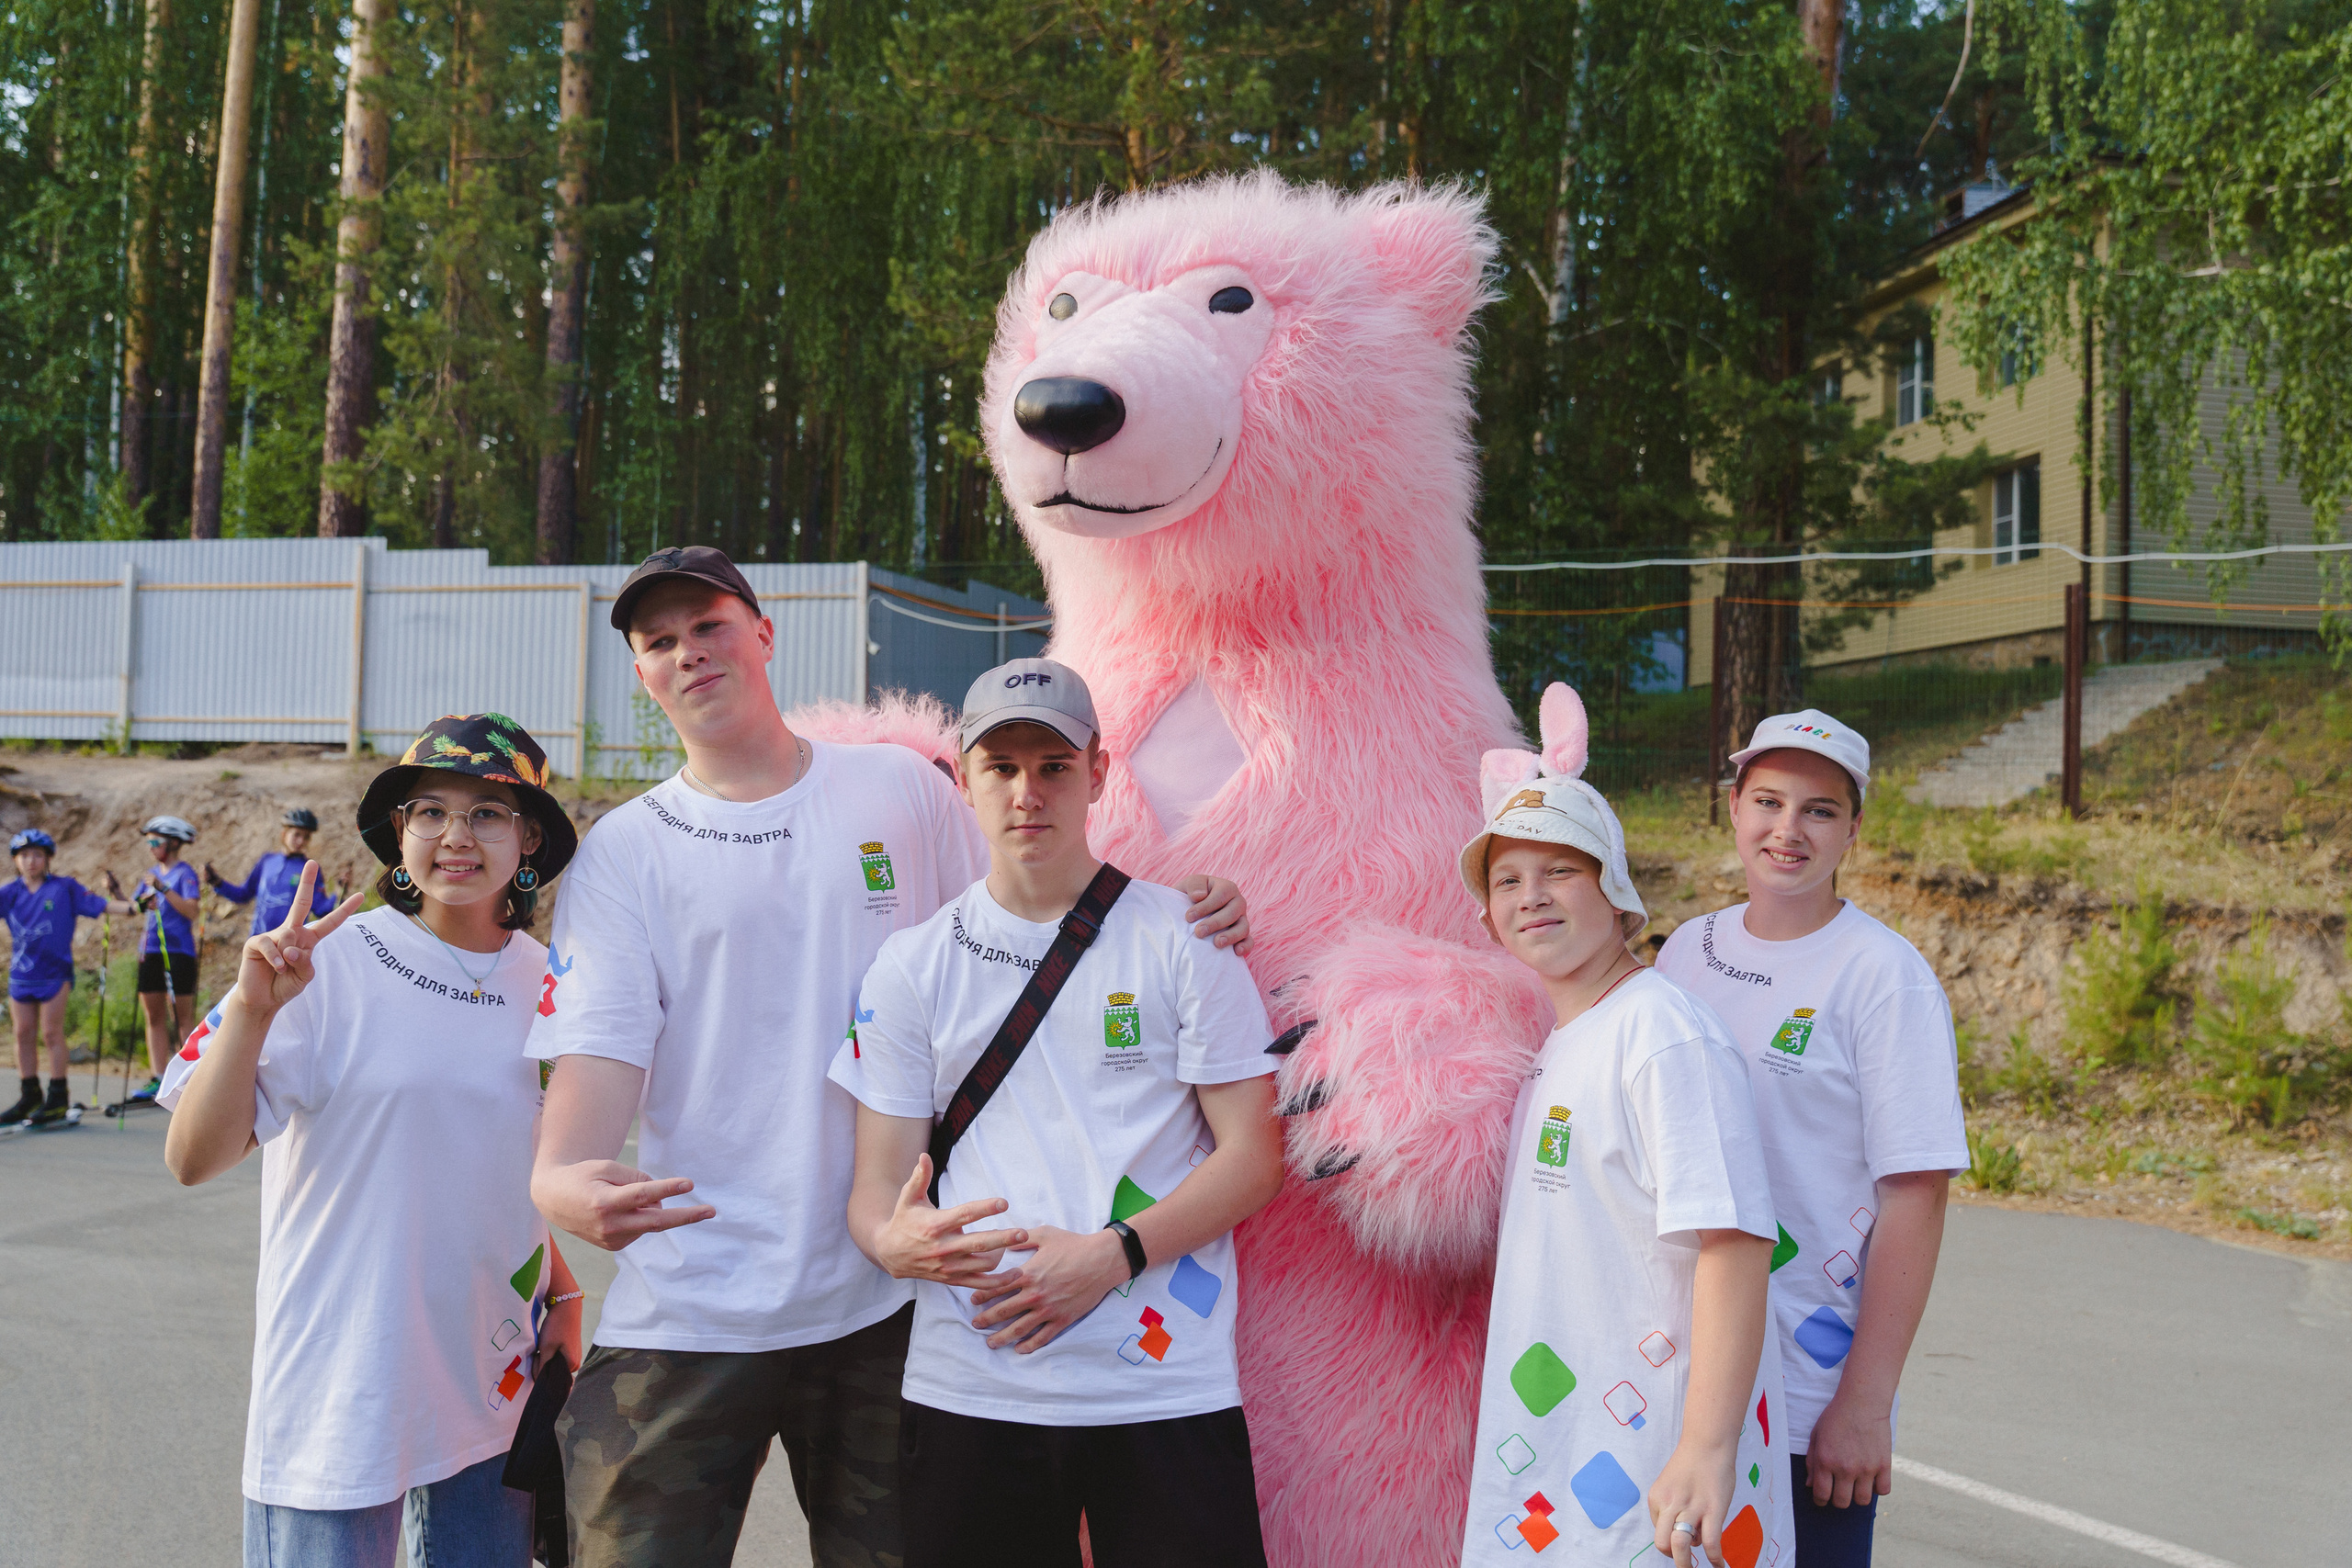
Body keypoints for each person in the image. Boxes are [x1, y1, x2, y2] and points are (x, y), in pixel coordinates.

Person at [526, 547, 1250, 1568]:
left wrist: (1188, 908)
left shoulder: (898, 796)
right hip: (695, 1305)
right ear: (641, 676)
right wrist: (560, 1180)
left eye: (711, 626)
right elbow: (592, 1082)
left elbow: (1032, 916)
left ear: (764, 634)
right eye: (659, 643)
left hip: (891, 1308)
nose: (689, 654)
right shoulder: (626, 852)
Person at [833, 660, 1283, 1568]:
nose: (1027, 792)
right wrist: (892, 1242)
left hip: (1162, 1386)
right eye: (1000, 767)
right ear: (962, 779)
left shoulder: (1184, 940)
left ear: (1100, 775)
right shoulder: (911, 967)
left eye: (1053, 765)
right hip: (972, 1385)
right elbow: (876, 1190)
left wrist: (1111, 1255)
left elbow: (1253, 1156)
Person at [160, 714, 586, 1568]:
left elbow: (496, 1161)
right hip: (342, 1378)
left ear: (529, 836)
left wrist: (563, 1291)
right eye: (429, 810)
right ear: (400, 831)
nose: (455, 837)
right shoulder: (330, 962)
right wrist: (252, 1008)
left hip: (488, 1379)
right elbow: (191, 1158)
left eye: (489, 814)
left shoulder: (555, 983)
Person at [1457, 685, 1790, 1568]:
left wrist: (1707, 1447)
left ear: (1614, 886)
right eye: (1507, 879)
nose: (1532, 896)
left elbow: (1735, 1241)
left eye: (1559, 869)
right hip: (1563, 1465)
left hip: (1656, 1473)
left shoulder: (1660, 1032)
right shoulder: (1569, 1037)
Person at [1654, 711, 1967, 1568]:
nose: (1787, 830)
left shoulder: (1885, 976)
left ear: (1855, 830)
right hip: (1681, 1373)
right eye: (1768, 801)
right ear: (1732, 809)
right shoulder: (1687, 950)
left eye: (1820, 810)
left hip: (1804, 1390)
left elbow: (1918, 1193)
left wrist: (1864, 1400)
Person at [2, 828, 133, 1126]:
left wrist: (134, 907)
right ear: (16, 860)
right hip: (22, 975)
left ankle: (58, 1095)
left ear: (48, 859)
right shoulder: (10, 892)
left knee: (51, 1033)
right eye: (24, 856)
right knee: (22, 1033)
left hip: (54, 973)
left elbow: (99, 905)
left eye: (37, 855)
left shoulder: (64, 888)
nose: (31, 861)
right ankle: (29, 1094)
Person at [129, 813, 204, 1103]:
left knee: (182, 1017)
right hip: (150, 950)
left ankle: (188, 1078)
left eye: (155, 841)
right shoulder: (150, 873)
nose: (151, 847)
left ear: (172, 843)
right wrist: (125, 896)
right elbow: (137, 906)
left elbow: (192, 911)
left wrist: (163, 889)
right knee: (153, 1015)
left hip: (178, 951)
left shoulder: (184, 874)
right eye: (149, 842)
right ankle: (158, 1078)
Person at [207, 807, 337, 935]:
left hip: (289, 946)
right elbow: (243, 895)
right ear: (284, 834)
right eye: (297, 834)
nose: (301, 841)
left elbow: (321, 909)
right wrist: (217, 882)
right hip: (258, 943)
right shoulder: (267, 861)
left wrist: (338, 892)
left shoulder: (310, 868)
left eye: (306, 837)